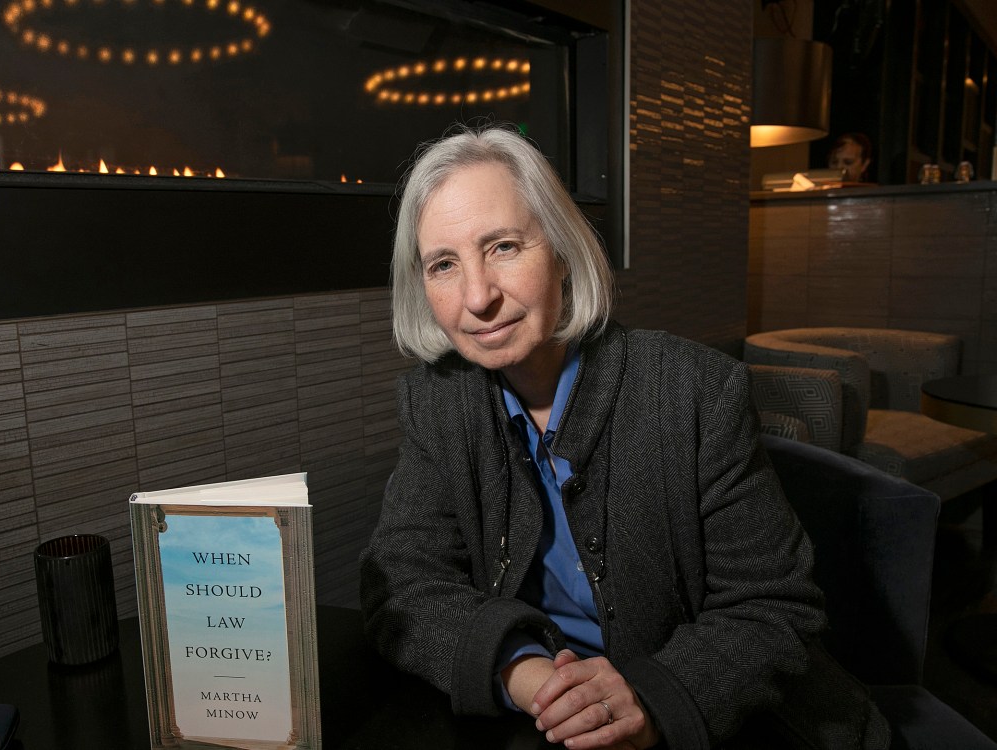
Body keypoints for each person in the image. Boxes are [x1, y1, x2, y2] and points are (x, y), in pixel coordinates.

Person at [359, 123, 889, 748]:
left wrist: (653, 698)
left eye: (503, 247)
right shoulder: (436, 400)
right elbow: (400, 580)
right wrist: (525, 676)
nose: (477, 297)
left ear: (560, 249)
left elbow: (776, 610)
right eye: (443, 264)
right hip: (545, 722)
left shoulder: (694, 392)